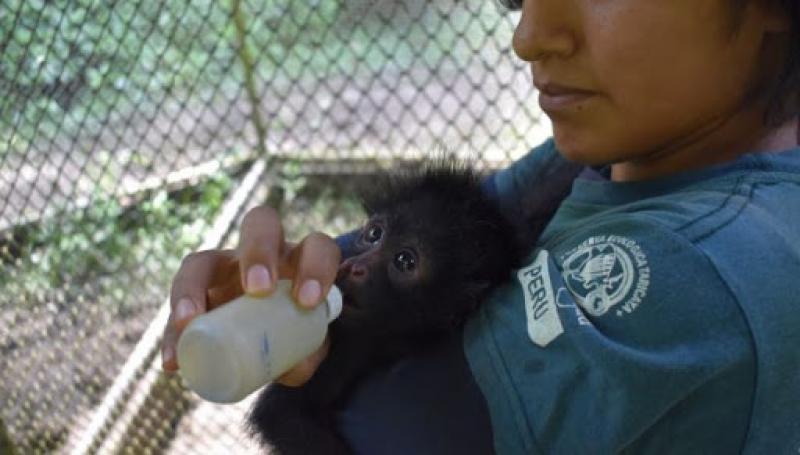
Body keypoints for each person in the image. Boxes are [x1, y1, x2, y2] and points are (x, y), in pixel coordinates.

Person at [161, 0, 800, 453]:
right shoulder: (643, 143)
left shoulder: (708, 267)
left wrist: (317, 343)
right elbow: (454, 228)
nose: (529, 33)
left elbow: (399, 427)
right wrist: (292, 289)